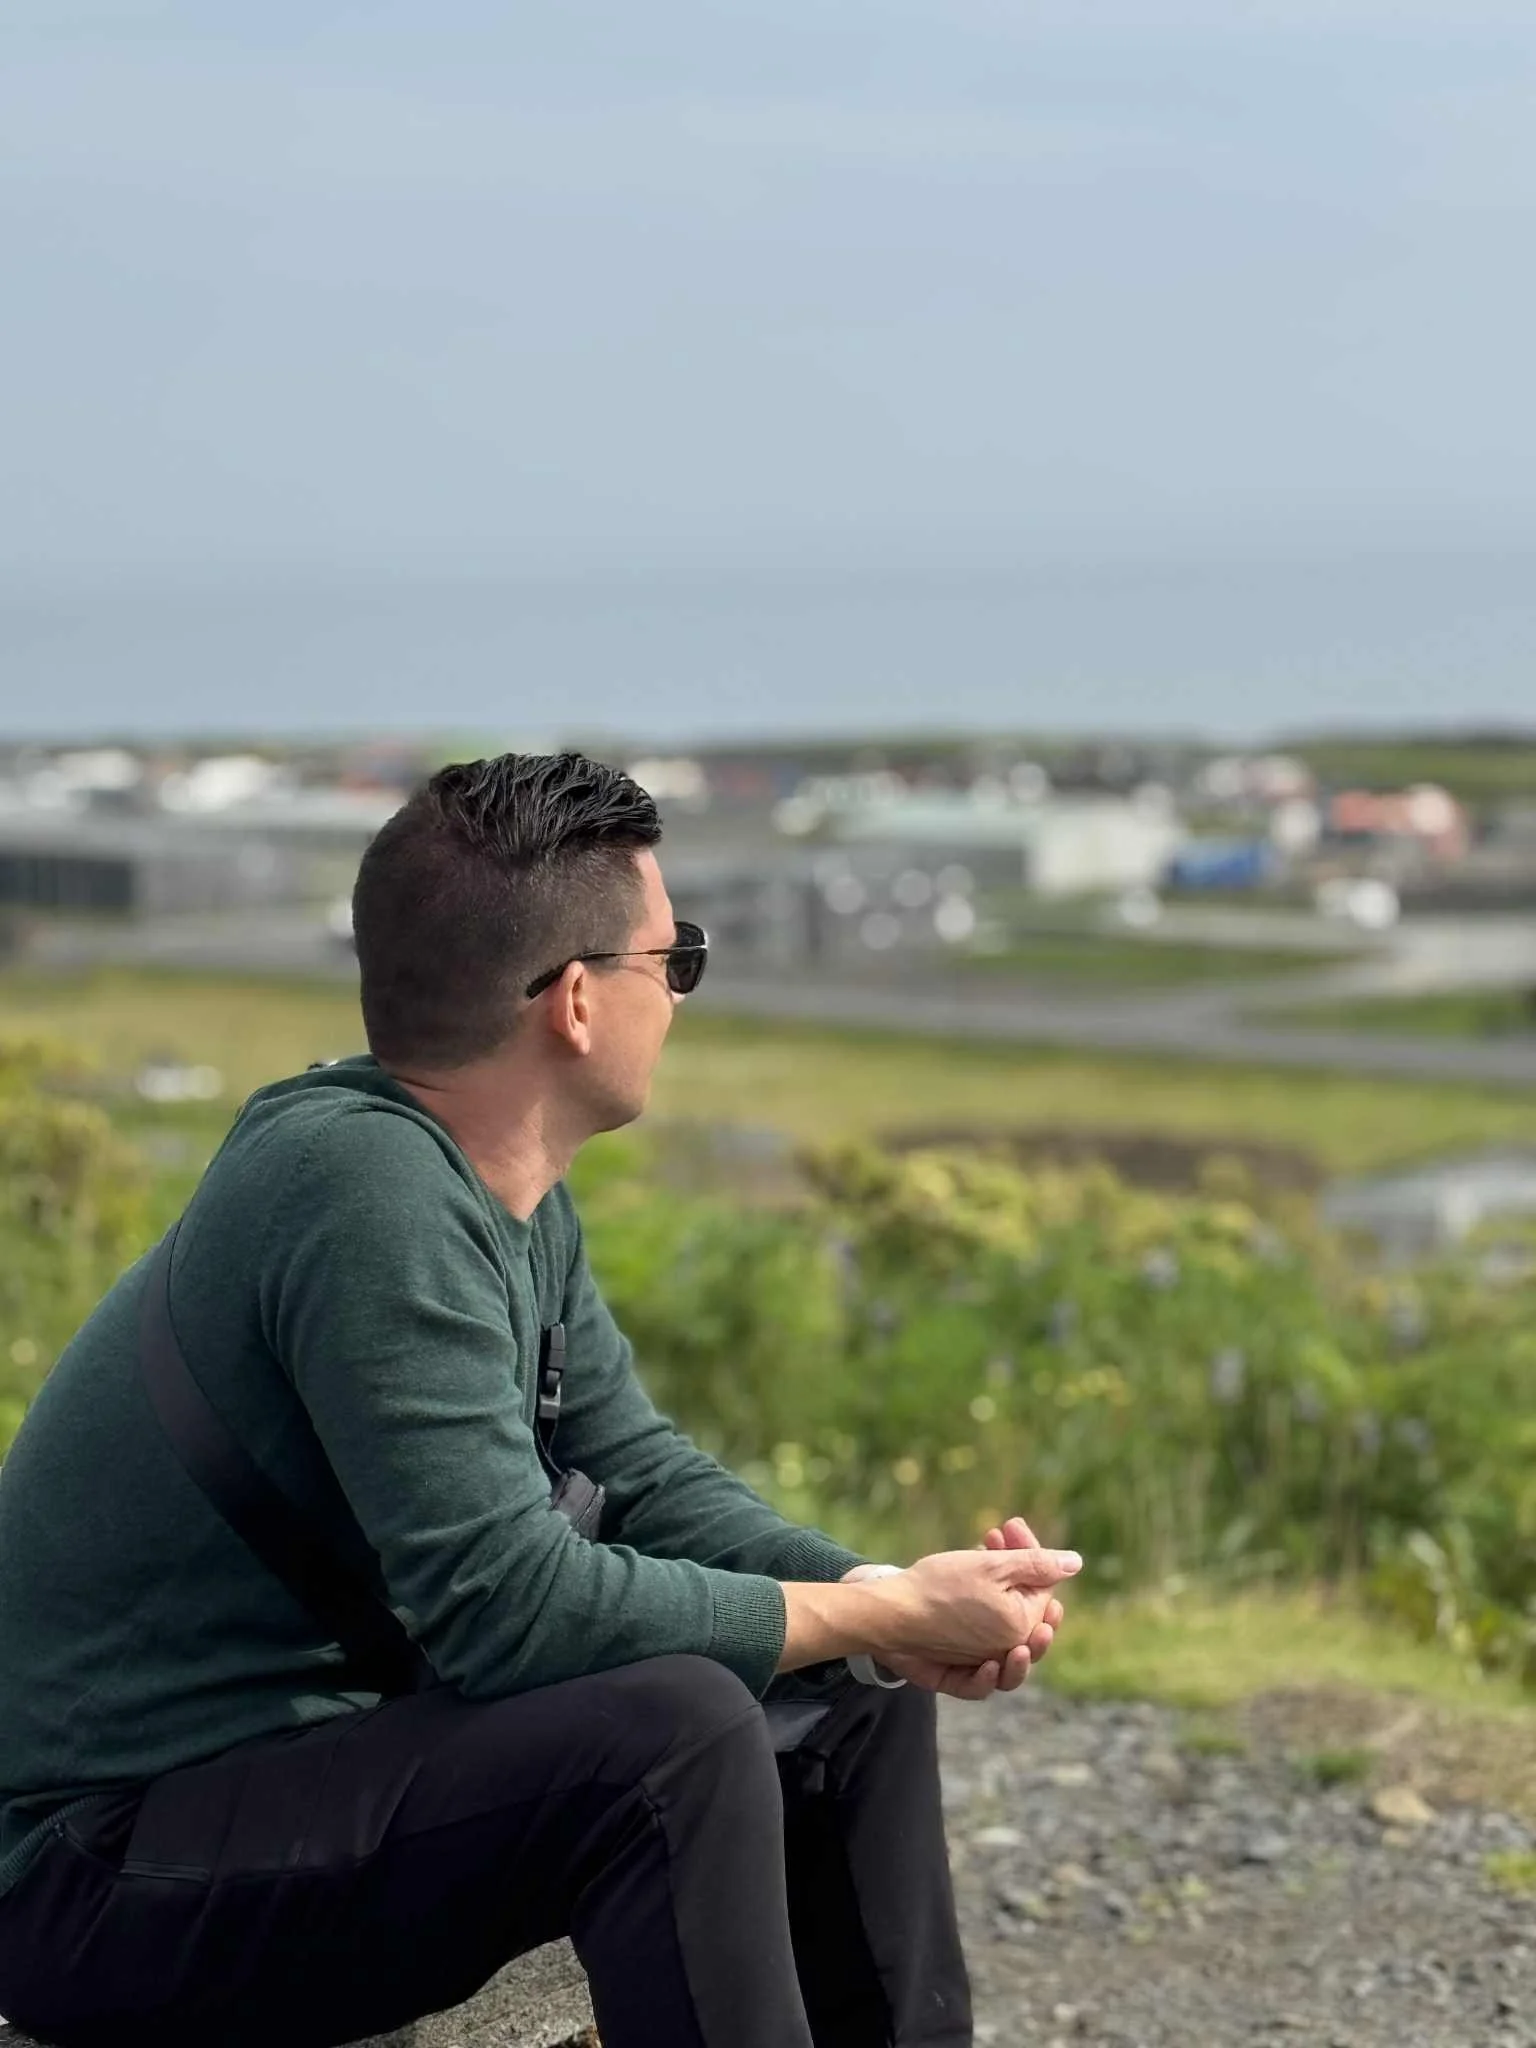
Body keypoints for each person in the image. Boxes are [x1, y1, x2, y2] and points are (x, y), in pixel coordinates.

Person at [0, 752, 1079, 2048]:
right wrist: (874, 1605)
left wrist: (885, 1608)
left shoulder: (492, 1187)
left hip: (263, 1793)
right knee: (669, 1740)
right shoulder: (365, 1198)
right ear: (576, 1002)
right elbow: (510, 1612)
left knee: (844, 1697)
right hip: (99, 1869)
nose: (679, 999)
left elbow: (634, 1473)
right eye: (673, 964)